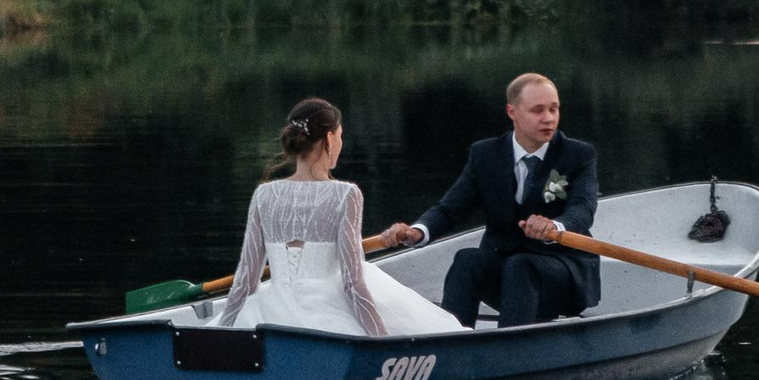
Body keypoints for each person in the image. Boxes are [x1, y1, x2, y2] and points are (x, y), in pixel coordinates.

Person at [212, 98, 460, 338]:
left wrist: (220, 332)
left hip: (271, 308)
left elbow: (245, 282)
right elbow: (352, 284)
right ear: (329, 138)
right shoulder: (345, 195)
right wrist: (381, 340)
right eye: (340, 136)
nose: (340, 143)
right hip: (328, 311)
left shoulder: (263, 195)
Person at [386, 73, 601, 328]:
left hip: (564, 273)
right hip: (505, 272)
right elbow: (449, 210)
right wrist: (417, 232)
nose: (549, 118)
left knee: (521, 267)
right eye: (538, 110)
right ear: (512, 112)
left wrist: (555, 226)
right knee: (467, 259)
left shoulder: (579, 155)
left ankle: (510, 350)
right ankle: (452, 341)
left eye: (554, 109)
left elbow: (583, 207)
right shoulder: (485, 154)